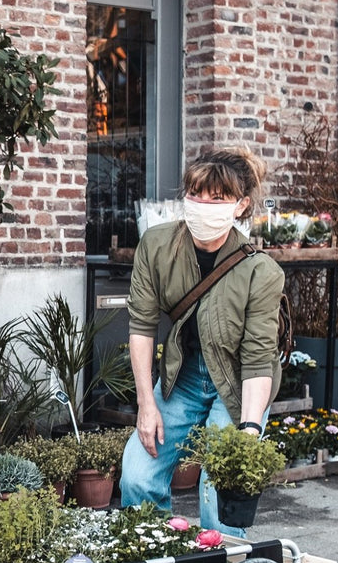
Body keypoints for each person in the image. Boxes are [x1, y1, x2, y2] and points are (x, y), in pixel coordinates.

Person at [119, 148, 285, 536]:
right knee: (137, 475)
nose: (202, 205)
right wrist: (146, 403)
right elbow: (142, 326)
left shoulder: (260, 271)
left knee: (216, 497)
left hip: (239, 385)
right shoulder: (157, 246)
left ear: (241, 205)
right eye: (195, 194)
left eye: (217, 198)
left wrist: (248, 430)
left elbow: (260, 358)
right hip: (184, 379)